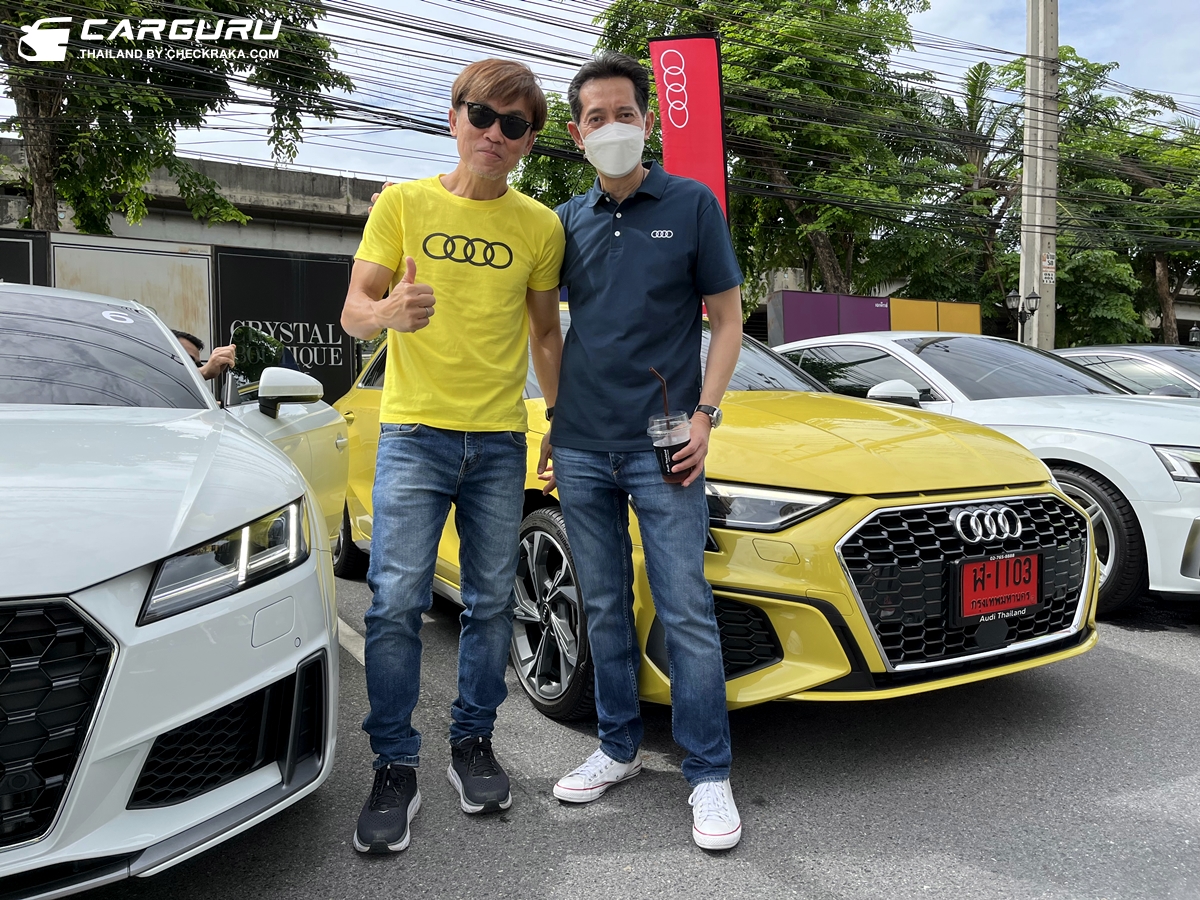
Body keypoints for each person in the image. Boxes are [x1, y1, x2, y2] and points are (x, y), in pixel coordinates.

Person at [339, 58, 565, 855]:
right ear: (454, 118)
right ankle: (394, 763)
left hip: (500, 441)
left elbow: (546, 333)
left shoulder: (540, 227)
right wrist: (387, 312)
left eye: (514, 124)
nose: (494, 133)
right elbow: (352, 310)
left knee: (491, 604)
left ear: (529, 142)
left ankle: (472, 742)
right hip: (414, 435)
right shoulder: (403, 204)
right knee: (394, 603)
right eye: (482, 115)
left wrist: (560, 420)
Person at [539, 51, 746, 850]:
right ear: (577, 133)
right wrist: (555, 415)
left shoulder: (691, 205)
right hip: (583, 446)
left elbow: (727, 321)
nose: (612, 127)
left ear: (648, 120)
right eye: (596, 118)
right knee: (603, 605)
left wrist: (705, 416)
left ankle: (708, 772)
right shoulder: (564, 220)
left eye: (625, 113)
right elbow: (546, 328)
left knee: (686, 608)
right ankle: (618, 747)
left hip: (666, 445)